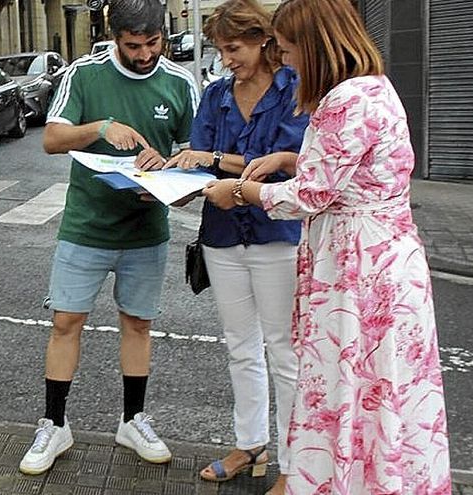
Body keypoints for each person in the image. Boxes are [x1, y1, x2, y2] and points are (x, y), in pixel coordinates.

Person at [202, 0, 452, 493]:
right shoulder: (375, 88)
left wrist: (240, 192)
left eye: (290, 48)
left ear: (316, 45)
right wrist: (291, 158)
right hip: (387, 255)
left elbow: (313, 195)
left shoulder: (343, 99)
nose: (286, 59)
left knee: (346, 381)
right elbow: (350, 172)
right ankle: (383, 479)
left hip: (358, 264)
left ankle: (339, 481)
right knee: (384, 388)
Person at [18, 0, 200, 476]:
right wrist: (100, 127)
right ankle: (54, 424)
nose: (144, 55)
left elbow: (194, 159)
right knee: (66, 322)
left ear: (163, 35)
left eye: (153, 44)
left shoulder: (180, 83)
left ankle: (132, 419)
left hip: (147, 228)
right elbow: (51, 140)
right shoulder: (84, 74)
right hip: (86, 226)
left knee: (138, 324)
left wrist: (172, 185)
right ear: (115, 36)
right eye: (133, 45)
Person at [165, 1, 308, 491]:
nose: (226, 59)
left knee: (285, 353)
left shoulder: (295, 91)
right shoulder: (216, 96)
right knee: (240, 348)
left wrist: (216, 158)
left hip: (276, 234)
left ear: (263, 41)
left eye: (234, 48)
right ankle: (251, 445)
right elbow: (200, 162)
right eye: (221, 50)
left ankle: (294, 465)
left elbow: (291, 168)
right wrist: (167, 181)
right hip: (222, 236)